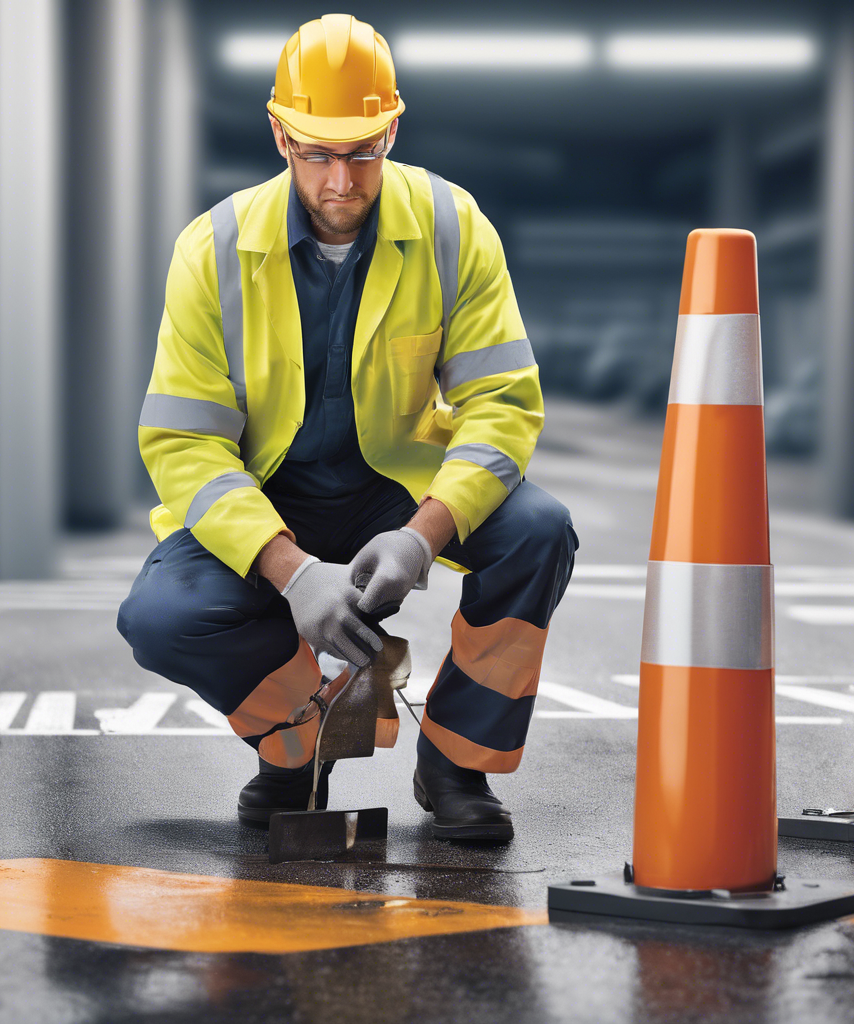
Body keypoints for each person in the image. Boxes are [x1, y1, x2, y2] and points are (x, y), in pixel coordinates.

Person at [117, 14, 577, 842]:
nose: (340, 180)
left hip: (393, 490)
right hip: (269, 502)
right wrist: (292, 574)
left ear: (391, 129)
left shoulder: (450, 225)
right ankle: (301, 750)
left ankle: (455, 761)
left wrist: (422, 538)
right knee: (161, 613)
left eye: (362, 150)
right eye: (318, 152)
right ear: (278, 134)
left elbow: (503, 404)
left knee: (539, 530)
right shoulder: (213, 250)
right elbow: (187, 443)